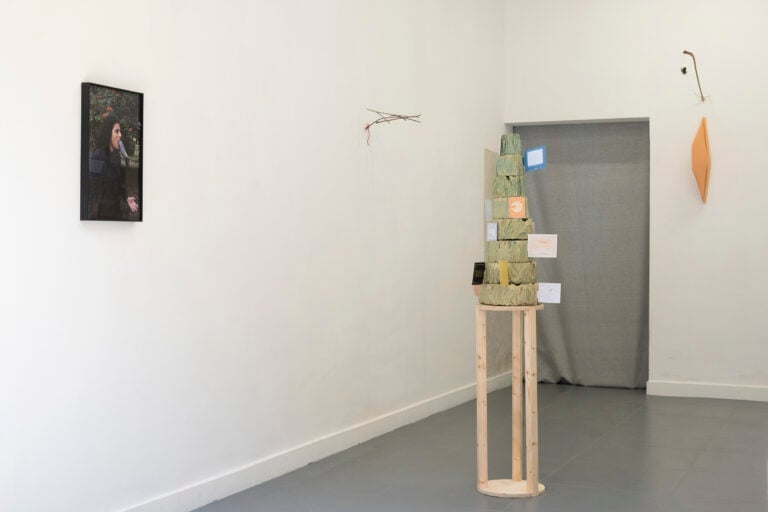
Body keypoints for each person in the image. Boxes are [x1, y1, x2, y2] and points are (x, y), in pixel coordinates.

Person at [88, 113, 139, 219]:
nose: (120, 135)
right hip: (101, 215)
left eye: (120, 131)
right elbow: (92, 188)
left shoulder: (116, 157)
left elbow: (119, 183)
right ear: (108, 132)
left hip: (116, 211)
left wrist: (126, 197)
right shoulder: (97, 156)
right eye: (116, 131)